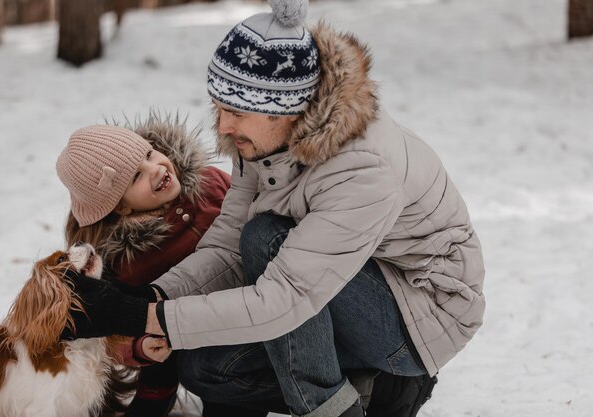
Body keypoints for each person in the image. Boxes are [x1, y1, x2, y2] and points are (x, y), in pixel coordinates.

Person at [62, 1, 486, 416]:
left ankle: (335, 407)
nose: (223, 128)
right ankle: (378, 391)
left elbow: (284, 298)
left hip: (419, 317)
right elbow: (226, 247)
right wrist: (148, 297)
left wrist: (142, 316)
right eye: (219, 108)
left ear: (285, 109)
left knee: (266, 237)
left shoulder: (362, 169)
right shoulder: (262, 141)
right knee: (206, 367)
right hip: (340, 285)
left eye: (236, 112)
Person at [55, 113, 231, 417]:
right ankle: (155, 399)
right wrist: (138, 348)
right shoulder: (128, 260)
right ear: (121, 205)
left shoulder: (212, 184)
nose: (156, 169)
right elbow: (118, 325)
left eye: (149, 154)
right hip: (201, 342)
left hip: (257, 299)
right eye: (135, 176)